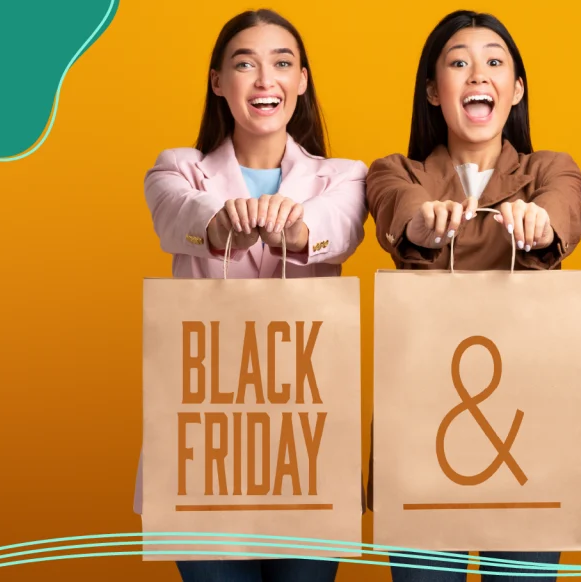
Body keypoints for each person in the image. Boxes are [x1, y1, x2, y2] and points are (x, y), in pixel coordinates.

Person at [136, 9, 367, 582]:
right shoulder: (179, 170)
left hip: (305, 438)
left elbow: (339, 229)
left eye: (282, 64)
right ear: (218, 82)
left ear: (302, 82)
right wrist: (220, 223)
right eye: (245, 64)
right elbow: (177, 216)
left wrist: (295, 228)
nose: (265, 80)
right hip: (205, 440)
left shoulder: (344, 177)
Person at [364, 9, 581, 582]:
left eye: (494, 62)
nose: (477, 75)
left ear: (516, 90)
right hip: (420, 430)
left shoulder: (551, 170)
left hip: (528, 430)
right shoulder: (397, 171)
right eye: (458, 63)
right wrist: (420, 225)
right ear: (434, 92)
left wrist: (537, 221)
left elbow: (564, 209)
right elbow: (397, 208)